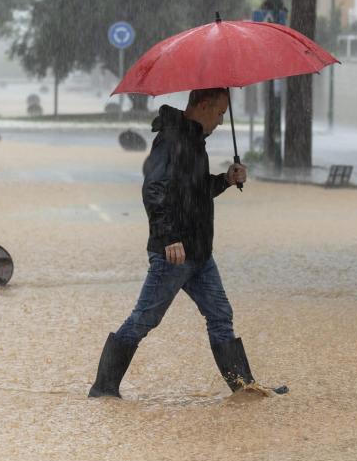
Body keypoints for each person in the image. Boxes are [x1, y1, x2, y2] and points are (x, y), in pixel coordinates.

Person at [89, 87, 287, 398]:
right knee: (144, 319)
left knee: (221, 315)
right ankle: (103, 389)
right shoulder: (171, 140)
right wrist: (170, 238)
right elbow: (153, 191)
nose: (221, 121)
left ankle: (244, 388)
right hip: (174, 254)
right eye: (220, 113)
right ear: (204, 105)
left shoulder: (194, 141)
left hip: (199, 254)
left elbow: (194, 192)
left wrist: (224, 179)